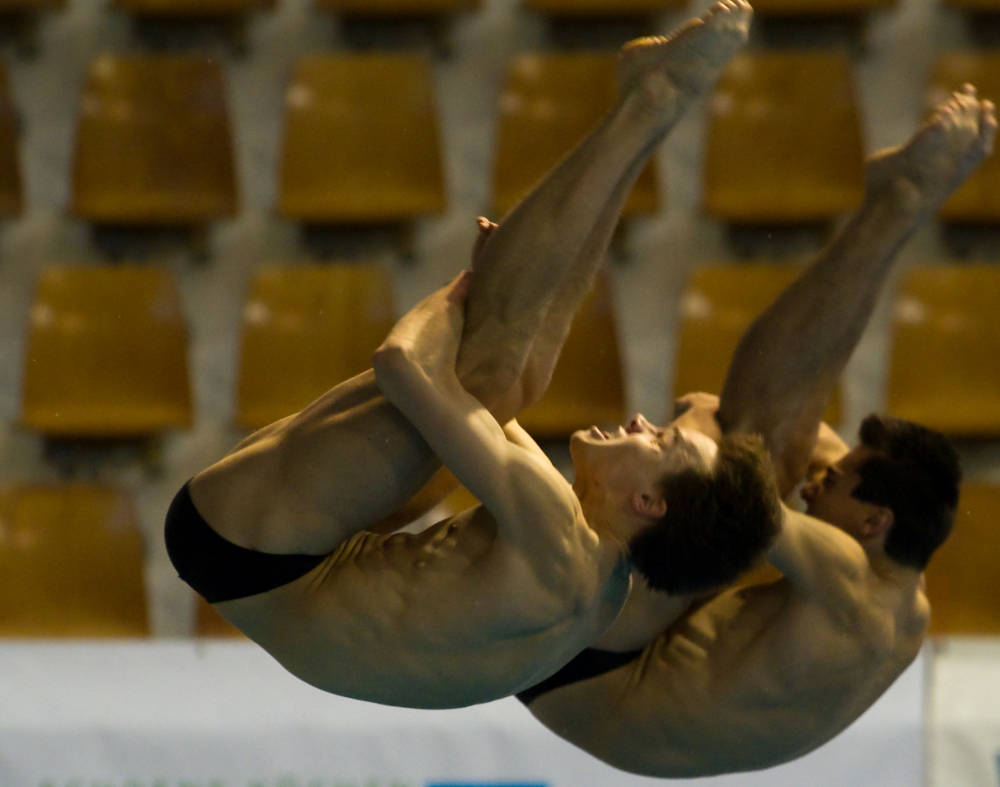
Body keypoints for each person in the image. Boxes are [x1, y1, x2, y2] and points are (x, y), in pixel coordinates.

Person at [164, 1, 781, 710]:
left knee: (483, 367)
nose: (643, 419)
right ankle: (646, 111)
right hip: (297, 582)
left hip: (244, 547)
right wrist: (514, 291)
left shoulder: (554, 529)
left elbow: (403, 362)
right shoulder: (600, 591)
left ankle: (650, 104)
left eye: (661, 440)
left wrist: (461, 295)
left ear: (647, 500)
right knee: (511, 375)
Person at [519, 86, 995, 775]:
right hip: (636, 687)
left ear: (874, 520)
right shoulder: (908, 608)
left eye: (839, 481)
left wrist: (692, 428)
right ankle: (892, 214)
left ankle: (889, 213)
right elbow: (807, 418)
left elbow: (722, 466)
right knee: (781, 428)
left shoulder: (847, 583)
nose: (824, 475)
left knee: (748, 437)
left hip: (582, 664)